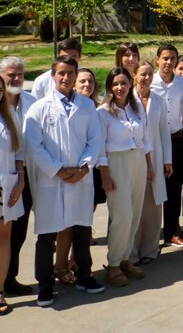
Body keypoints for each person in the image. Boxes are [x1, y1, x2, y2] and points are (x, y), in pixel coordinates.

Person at [23, 56, 104, 306]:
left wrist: (84, 167)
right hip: (52, 180)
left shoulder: (87, 106)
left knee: (81, 229)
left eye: (71, 73)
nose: (66, 78)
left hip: (80, 177)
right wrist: (57, 170)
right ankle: (45, 286)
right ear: (53, 75)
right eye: (61, 73)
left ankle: (85, 276)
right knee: (47, 235)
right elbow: (33, 146)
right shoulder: (39, 108)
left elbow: (95, 139)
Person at [97, 67, 151, 287]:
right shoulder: (103, 113)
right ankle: (113, 264)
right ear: (110, 86)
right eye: (116, 83)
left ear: (131, 84)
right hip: (116, 164)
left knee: (135, 214)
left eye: (124, 83)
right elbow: (100, 149)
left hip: (137, 161)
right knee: (122, 216)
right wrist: (105, 176)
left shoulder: (137, 109)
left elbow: (146, 141)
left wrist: (149, 166)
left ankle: (126, 259)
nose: (120, 88)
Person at [130, 61, 172, 266]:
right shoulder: (127, 100)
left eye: (149, 75)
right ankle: (131, 252)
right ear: (134, 77)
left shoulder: (158, 100)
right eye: (142, 75)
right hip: (134, 159)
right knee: (135, 204)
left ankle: (150, 249)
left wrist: (167, 160)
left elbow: (164, 131)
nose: (146, 78)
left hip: (156, 156)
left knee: (153, 204)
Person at [152, 44, 183, 248]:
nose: (169, 62)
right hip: (153, 141)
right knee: (150, 188)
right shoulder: (148, 83)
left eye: (173, 58)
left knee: (174, 188)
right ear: (157, 59)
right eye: (165, 58)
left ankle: (171, 232)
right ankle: (149, 236)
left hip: (175, 139)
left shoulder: (182, 84)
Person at [0, 57, 35, 297]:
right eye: (11, 74)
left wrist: (22, 178)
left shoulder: (32, 102)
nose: (16, 79)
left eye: (20, 74)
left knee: (18, 232)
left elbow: (22, 147)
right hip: (8, 178)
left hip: (23, 177)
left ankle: (8, 279)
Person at [0, 75, 25, 315]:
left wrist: (20, 180)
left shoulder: (10, 117)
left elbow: (19, 152)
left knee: (4, 239)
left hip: (7, 186)